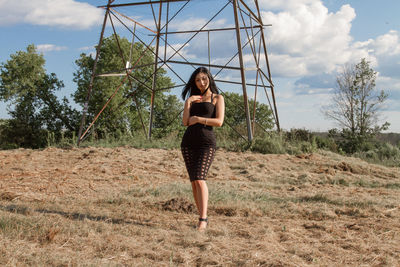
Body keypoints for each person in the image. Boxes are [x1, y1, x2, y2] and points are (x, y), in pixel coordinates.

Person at [181, 67, 225, 231]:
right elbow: (185, 122)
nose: (201, 82)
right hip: (188, 142)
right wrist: (188, 103)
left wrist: (199, 119)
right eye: (198, 80)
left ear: (209, 79)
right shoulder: (193, 99)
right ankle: (201, 217)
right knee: (194, 182)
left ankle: (203, 219)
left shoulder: (217, 98)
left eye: (204, 79)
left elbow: (219, 122)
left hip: (206, 143)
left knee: (200, 178)